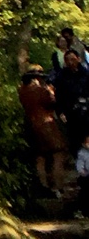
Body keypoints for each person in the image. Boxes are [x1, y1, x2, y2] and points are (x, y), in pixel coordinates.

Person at [20, 66, 72, 194]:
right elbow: (52, 101)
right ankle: (58, 186)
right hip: (46, 123)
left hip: (31, 124)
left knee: (40, 158)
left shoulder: (22, 90)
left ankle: (43, 186)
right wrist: (51, 91)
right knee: (59, 154)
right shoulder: (41, 90)